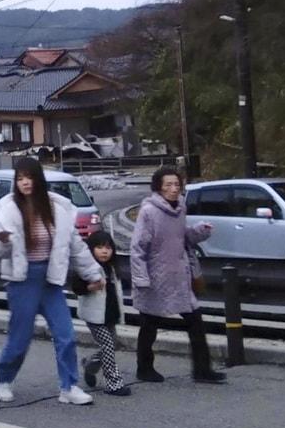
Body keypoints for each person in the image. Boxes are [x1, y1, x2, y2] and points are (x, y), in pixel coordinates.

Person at [0, 157, 104, 406]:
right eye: (20, 178)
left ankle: (69, 386)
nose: (25, 183)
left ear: (38, 179)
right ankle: (3, 380)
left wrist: (94, 274)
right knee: (20, 338)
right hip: (22, 279)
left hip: (50, 278)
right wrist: (4, 241)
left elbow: (75, 246)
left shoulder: (57, 208)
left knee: (66, 334)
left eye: (29, 177)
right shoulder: (8, 208)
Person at [130, 167, 226, 384]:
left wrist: (200, 231)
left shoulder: (180, 208)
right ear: (158, 188)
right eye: (168, 185)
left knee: (196, 322)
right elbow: (138, 247)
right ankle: (144, 368)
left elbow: (183, 238)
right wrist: (141, 278)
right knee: (149, 325)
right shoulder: (149, 212)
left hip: (180, 276)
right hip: (156, 277)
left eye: (176, 185)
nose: (174, 189)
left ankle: (202, 370)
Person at [72, 230, 131, 396]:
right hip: (94, 316)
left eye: (108, 247)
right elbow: (77, 287)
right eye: (99, 247)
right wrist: (91, 287)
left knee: (112, 345)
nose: (104, 251)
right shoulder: (88, 268)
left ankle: (89, 365)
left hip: (110, 314)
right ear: (91, 249)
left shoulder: (112, 268)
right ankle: (114, 383)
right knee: (107, 345)